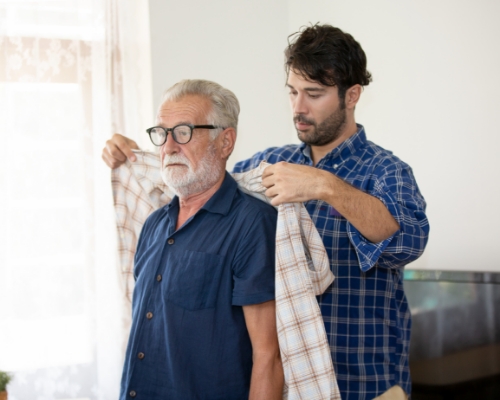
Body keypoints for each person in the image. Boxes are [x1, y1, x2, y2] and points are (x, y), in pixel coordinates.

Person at [103, 25, 429, 400]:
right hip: (290, 385)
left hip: (362, 382)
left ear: (352, 95)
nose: (298, 107)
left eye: (314, 94)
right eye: (292, 91)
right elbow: (205, 181)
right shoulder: (270, 164)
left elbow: (408, 239)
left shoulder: (386, 171)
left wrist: (324, 186)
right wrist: (133, 156)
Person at [115, 79, 283, 399]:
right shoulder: (153, 224)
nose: (168, 147)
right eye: (162, 134)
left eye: (183, 132)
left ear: (225, 142)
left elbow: (269, 356)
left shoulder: (253, 225)